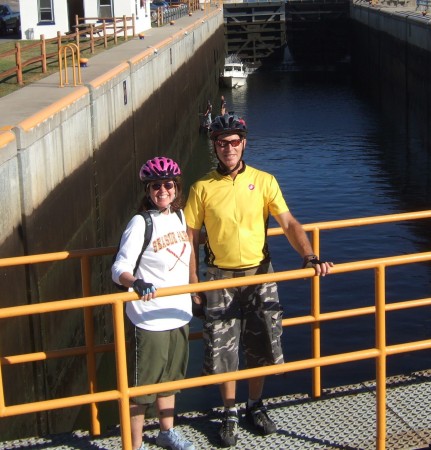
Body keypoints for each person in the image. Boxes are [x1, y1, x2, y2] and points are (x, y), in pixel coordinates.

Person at [184, 114, 333, 448]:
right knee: (223, 349)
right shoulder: (202, 187)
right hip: (218, 278)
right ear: (215, 147)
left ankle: (254, 404)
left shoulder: (265, 181)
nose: (228, 149)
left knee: (262, 342)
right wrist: (194, 282)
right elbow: (189, 237)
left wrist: (309, 255)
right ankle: (229, 412)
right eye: (222, 143)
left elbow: (289, 222)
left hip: (260, 274)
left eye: (234, 142)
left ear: (244, 144)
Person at [112, 156, 196, 450]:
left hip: (178, 313)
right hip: (149, 318)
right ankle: (134, 445)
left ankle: (166, 432)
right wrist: (134, 282)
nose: (163, 190)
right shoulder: (140, 222)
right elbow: (119, 266)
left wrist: (194, 290)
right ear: (147, 190)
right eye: (156, 185)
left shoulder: (180, 217)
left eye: (168, 184)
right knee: (142, 390)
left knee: (170, 380)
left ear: (176, 187)